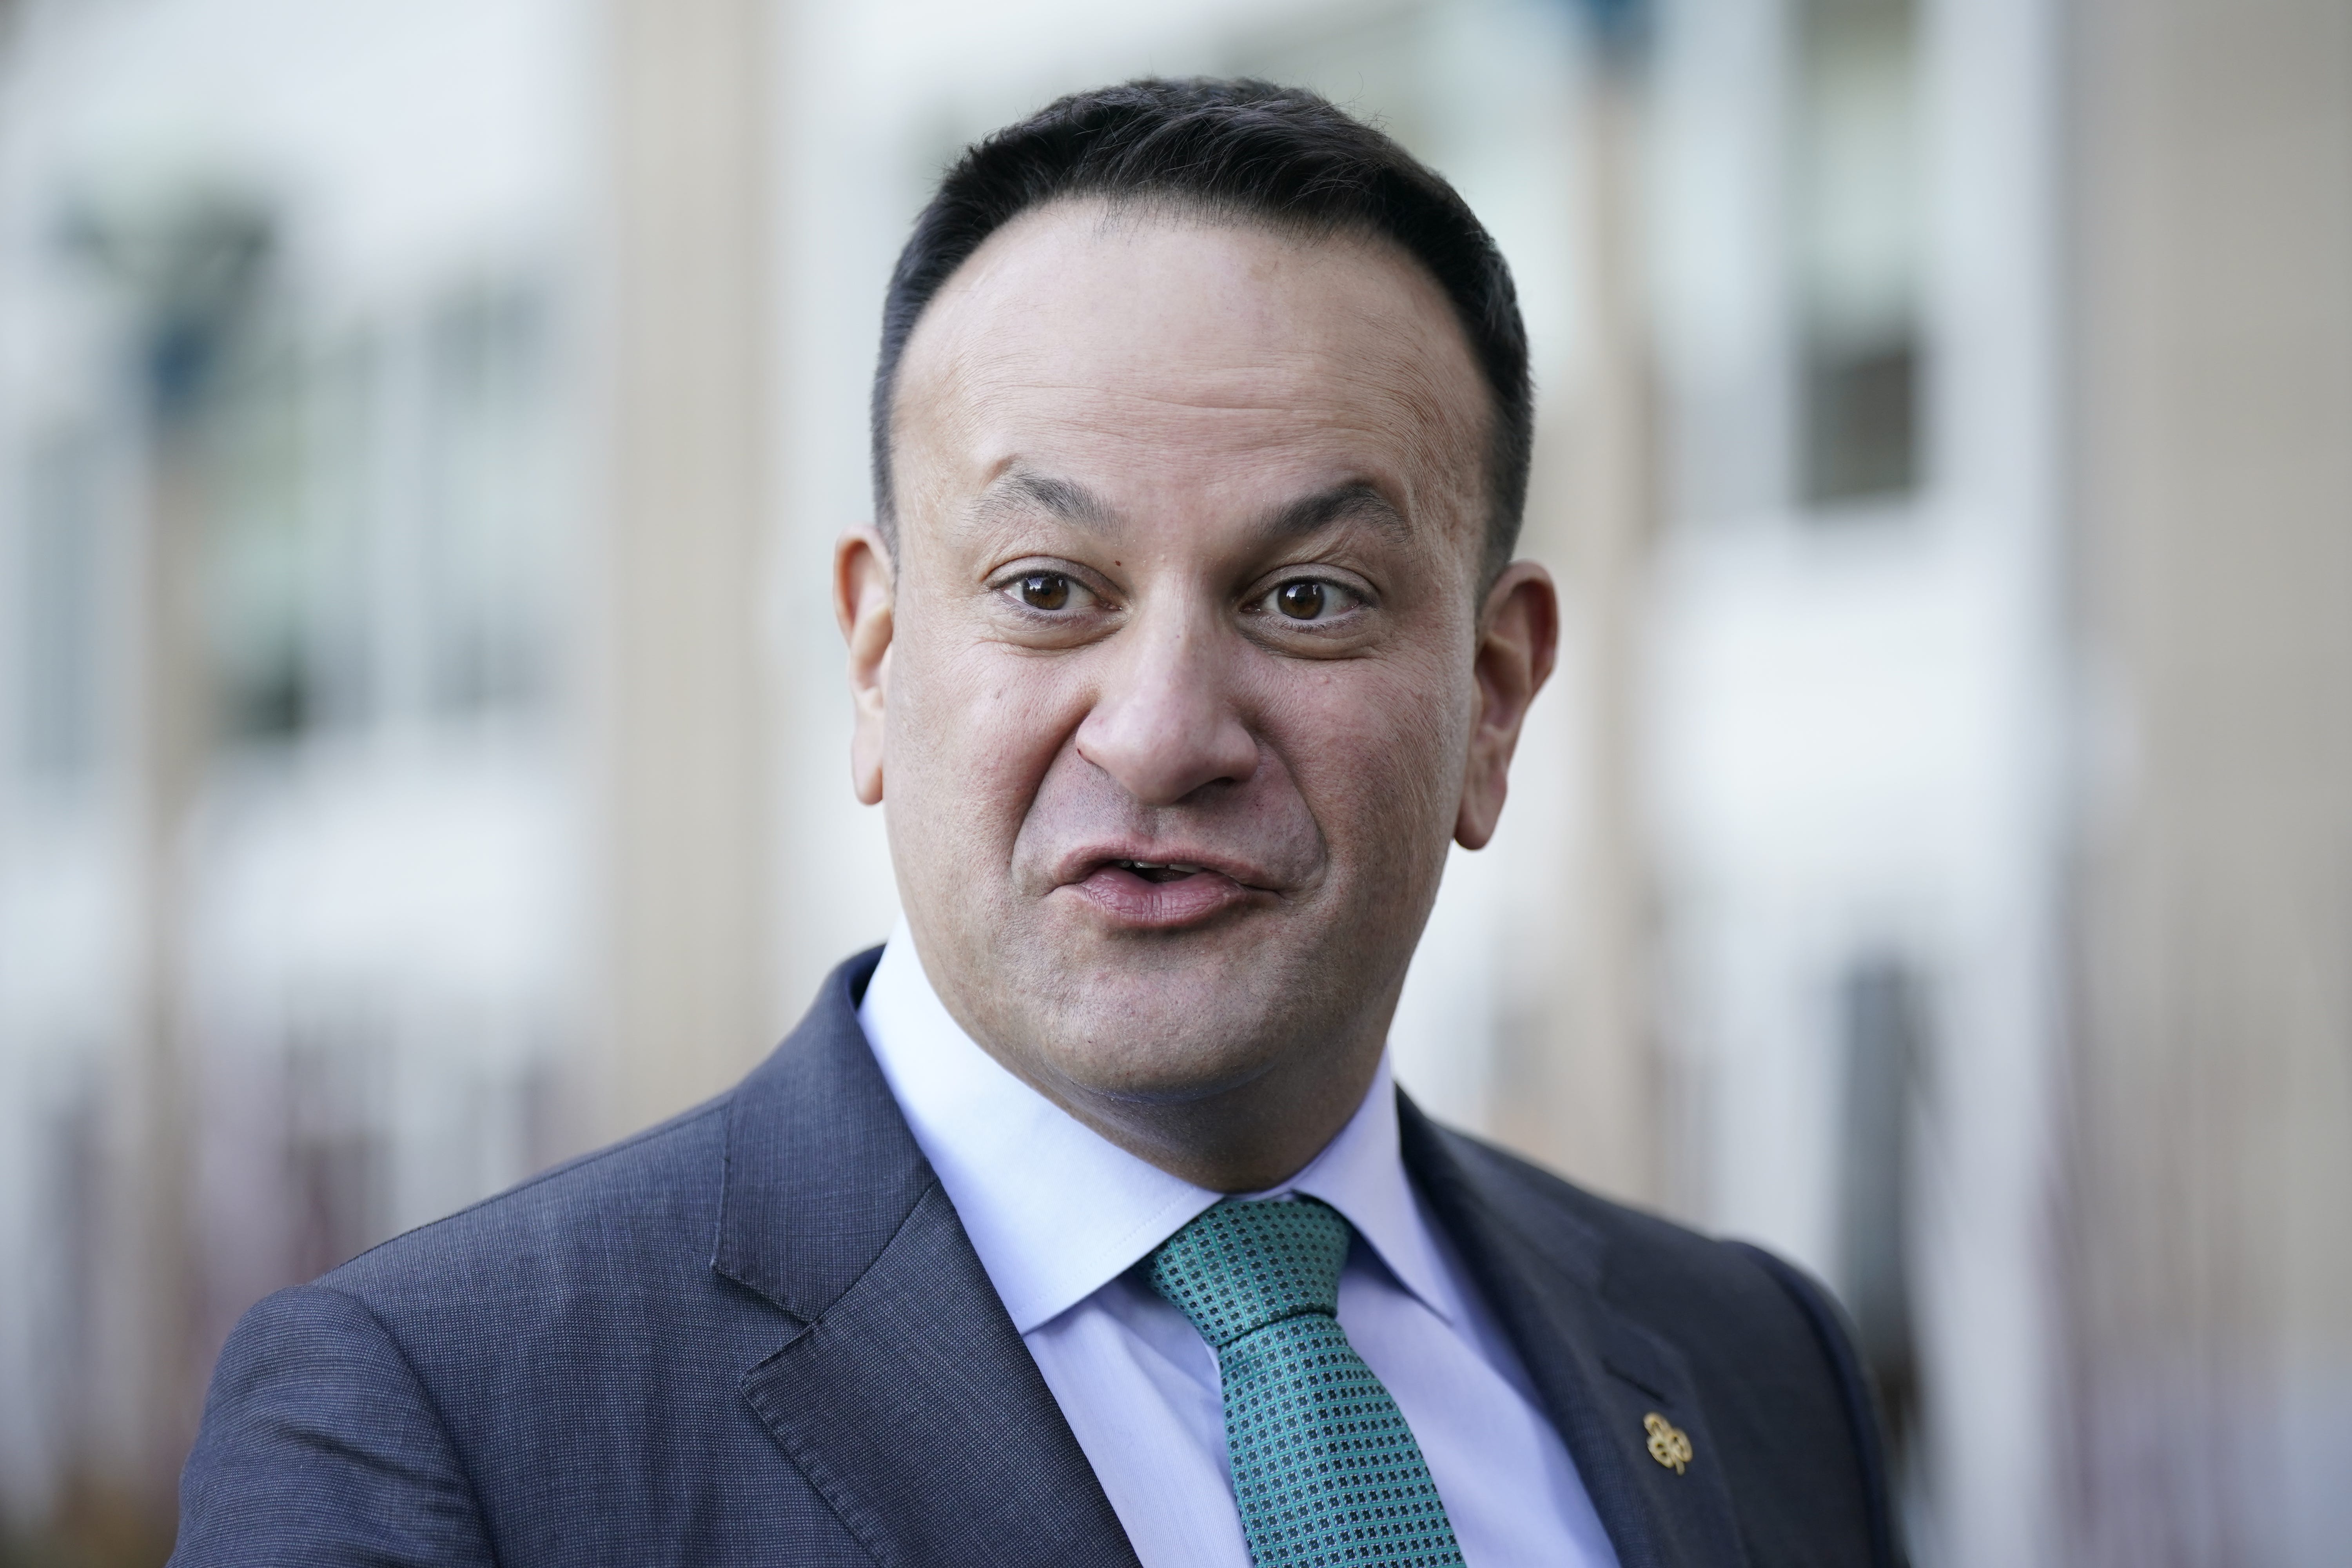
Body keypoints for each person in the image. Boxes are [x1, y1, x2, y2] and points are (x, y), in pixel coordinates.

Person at [172, 79, 1897, 1568]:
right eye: (1051, 586)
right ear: (876, 655)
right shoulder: (442, 1422)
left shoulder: (1752, 1366)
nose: (1160, 733)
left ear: (1497, 694)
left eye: (1307, 597)